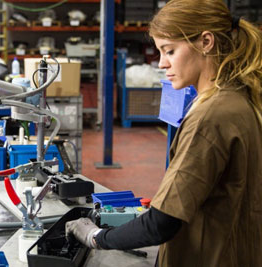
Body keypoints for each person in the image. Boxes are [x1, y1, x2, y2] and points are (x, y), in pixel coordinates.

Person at [65, 0, 262, 266]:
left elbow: (162, 223)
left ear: (206, 42)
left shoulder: (211, 116)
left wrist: (96, 237)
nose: (161, 63)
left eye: (169, 51)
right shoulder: (242, 99)